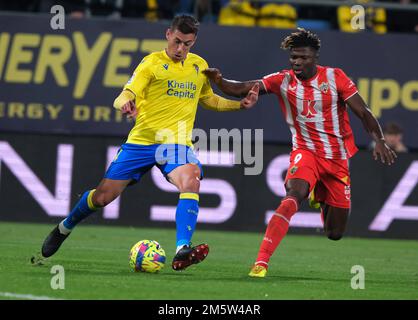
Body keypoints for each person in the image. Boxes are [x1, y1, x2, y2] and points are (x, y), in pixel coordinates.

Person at [33, 14, 259, 271]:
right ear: (167, 34)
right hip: (141, 143)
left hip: (175, 145)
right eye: (177, 41)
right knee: (102, 197)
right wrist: (125, 104)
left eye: (187, 44)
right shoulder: (151, 64)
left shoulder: (199, 66)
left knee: (191, 178)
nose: (181, 49)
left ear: (193, 42)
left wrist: (239, 105)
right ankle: (65, 227)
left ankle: (182, 248)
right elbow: (124, 95)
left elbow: (209, 99)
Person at [203, 28, 397, 277]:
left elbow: (364, 112)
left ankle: (319, 192)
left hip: (337, 159)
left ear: (315, 57)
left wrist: (379, 140)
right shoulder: (282, 80)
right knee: (294, 194)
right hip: (305, 151)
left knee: (334, 233)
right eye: (294, 57)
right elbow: (243, 88)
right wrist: (219, 81)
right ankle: (261, 262)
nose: (297, 62)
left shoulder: (334, 78)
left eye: (303, 57)